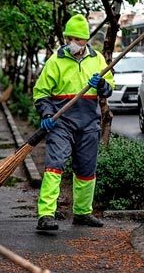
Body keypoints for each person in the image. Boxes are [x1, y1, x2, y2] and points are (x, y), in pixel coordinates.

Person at [33, 14, 114, 231]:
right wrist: (47, 114)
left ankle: (82, 212)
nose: (78, 44)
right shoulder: (55, 61)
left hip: (89, 123)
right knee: (55, 165)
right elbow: (40, 92)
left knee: (87, 169)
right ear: (67, 38)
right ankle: (46, 214)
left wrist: (101, 85)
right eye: (74, 39)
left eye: (82, 40)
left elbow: (109, 87)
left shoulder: (97, 59)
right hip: (62, 122)